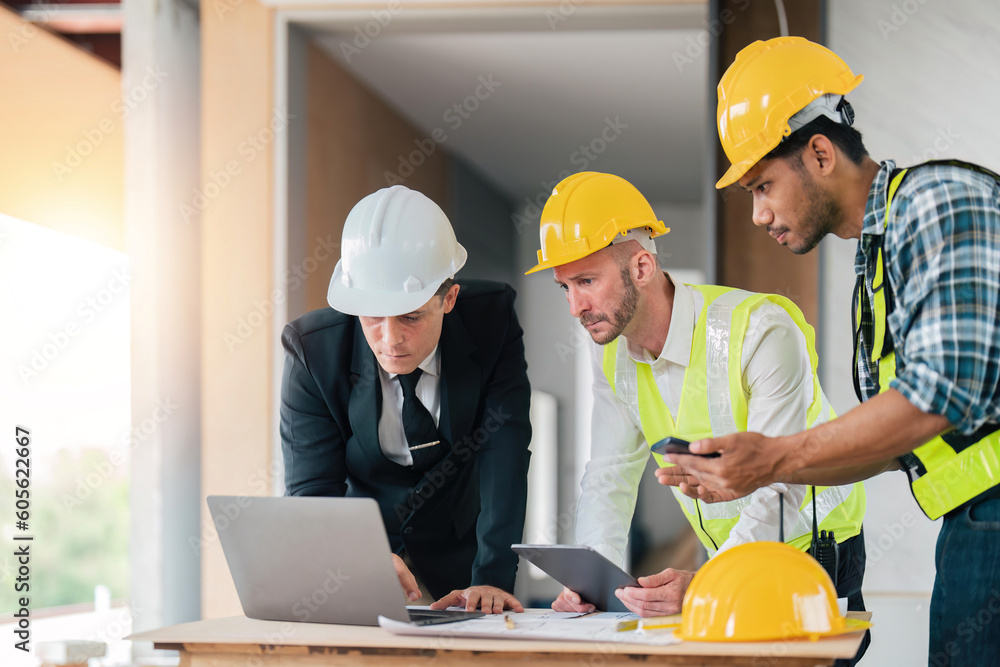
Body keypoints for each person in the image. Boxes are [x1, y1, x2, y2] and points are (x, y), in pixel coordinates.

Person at [671, 36, 1000, 666]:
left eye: (764, 185)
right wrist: (761, 467)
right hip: (971, 520)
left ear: (820, 152)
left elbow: (940, 395)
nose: (759, 215)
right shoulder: (877, 255)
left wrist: (776, 457)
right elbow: (900, 441)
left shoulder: (935, 204)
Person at [525, 171, 868, 664]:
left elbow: (781, 484)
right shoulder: (613, 359)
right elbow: (608, 479)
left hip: (809, 549)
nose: (576, 306)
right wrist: (593, 584)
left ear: (642, 266)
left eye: (586, 281)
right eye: (564, 287)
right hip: (732, 555)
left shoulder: (761, 332)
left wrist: (710, 584)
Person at [280, 185, 532, 614]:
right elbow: (311, 488)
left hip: (460, 550)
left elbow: (503, 451)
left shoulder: (492, 321)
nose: (390, 339)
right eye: (373, 317)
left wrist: (491, 574)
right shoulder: (312, 350)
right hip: (357, 549)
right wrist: (355, 555)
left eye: (411, 316)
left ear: (448, 298)